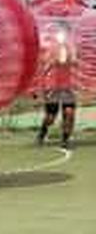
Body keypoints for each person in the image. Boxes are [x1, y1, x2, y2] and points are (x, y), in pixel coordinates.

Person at [35, 19, 76, 149]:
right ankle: (43, 131)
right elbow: (45, 65)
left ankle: (65, 138)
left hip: (67, 86)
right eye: (60, 31)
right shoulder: (50, 47)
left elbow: (74, 61)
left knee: (69, 112)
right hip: (52, 86)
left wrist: (70, 57)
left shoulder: (70, 47)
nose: (62, 34)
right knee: (51, 117)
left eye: (65, 31)